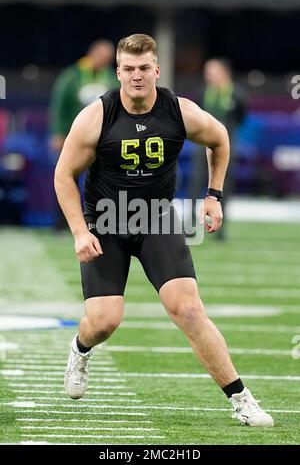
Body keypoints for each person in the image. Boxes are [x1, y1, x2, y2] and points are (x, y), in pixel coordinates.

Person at [54, 34, 273, 427]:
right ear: (117, 71)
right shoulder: (96, 116)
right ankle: (81, 348)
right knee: (104, 321)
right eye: (128, 69)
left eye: (144, 69)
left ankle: (241, 399)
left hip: (155, 218)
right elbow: (63, 175)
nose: (136, 77)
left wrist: (213, 195)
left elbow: (219, 138)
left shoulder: (179, 110)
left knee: (188, 309)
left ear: (156, 69)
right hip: (106, 222)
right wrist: (79, 232)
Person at [50, 39, 119, 230]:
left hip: (102, 138)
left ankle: (101, 223)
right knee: (66, 176)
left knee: (103, 180)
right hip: (74, 138)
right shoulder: (72, 76)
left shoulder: (111, 78)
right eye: (102, 56)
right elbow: (58, 106)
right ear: (93, 54)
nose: (104, 61)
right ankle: (62, 223)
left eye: (108, 58)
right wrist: (58, 132)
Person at [189, 58, 247, 239]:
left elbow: (241, 116)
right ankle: (192, 226)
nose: (208, 75)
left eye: (211, 71)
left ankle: (220, 229)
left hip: (226, 147)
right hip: (202, 146)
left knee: (224, 187)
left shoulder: (237, 93)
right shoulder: (204, 91)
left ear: (224, 72)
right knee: (196, 183)